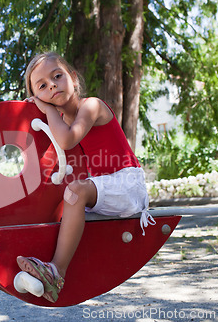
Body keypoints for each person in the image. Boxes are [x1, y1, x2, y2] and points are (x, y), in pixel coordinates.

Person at [17, 52, 153, 303]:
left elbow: (68, 139)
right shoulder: (62, 120)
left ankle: (56, 272)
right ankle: (40, 263)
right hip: (106, 190)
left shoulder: (91, 106)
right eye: (43, 86)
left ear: (74, 78)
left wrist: (46, 108)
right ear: (36, 95)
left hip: (127, 184)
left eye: (57, 76)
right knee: (65, 201)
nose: (52, 85)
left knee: (76, 191)